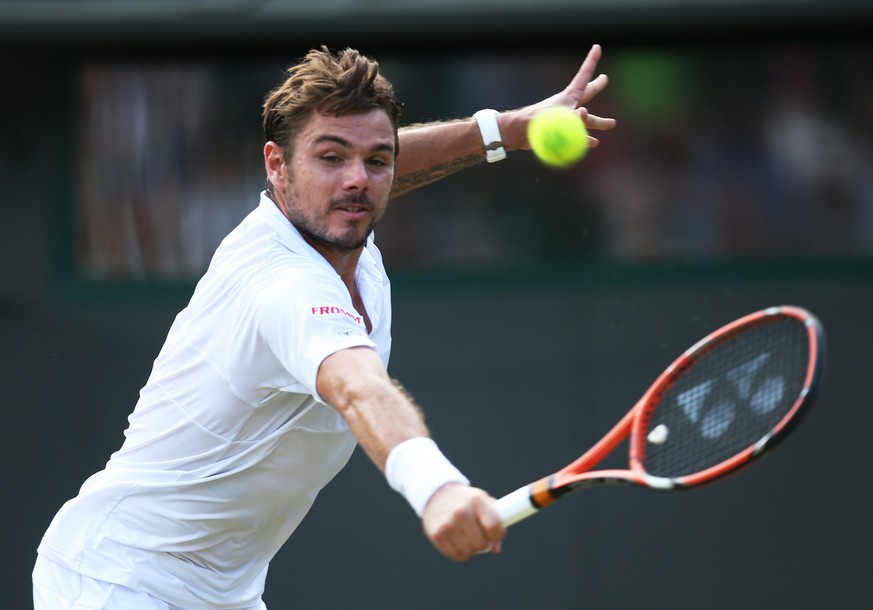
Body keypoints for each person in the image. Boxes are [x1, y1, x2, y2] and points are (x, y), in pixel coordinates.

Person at [33, 44, 616, 609]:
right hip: (115, 583)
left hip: (222, 591)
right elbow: (358, 388)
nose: (357, 181)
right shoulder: (283, 284)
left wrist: (506, 129)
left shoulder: (340, 222)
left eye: (376, 161)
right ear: (277, 166)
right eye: (330, 157)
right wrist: (437, 488)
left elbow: (366, 164)